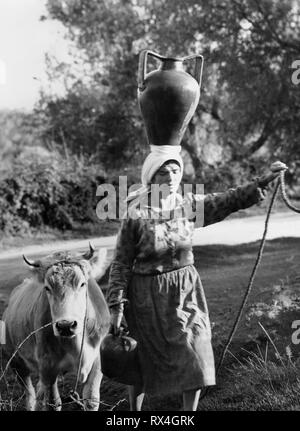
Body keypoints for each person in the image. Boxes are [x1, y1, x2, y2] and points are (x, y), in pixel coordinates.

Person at [107, 144, 287, 411]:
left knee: (196, 350)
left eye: (175, 171)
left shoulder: (189, 205)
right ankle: (134, 413)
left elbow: (228, 199)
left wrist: (264, 180)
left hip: (185, 291)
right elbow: (121, 262)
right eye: (162, 173)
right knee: (141, 360)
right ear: (151, 178)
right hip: (146, 297)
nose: (170, 177)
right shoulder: (136, 214)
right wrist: (116, 307)